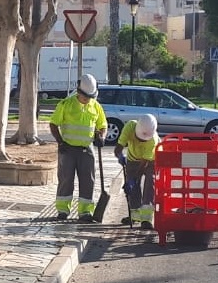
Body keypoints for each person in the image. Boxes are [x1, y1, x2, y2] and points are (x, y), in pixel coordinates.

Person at [49, 73, 107, 223]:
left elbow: (103, 126)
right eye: (85, 96)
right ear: (79, 92)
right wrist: (60, 142)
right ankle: (63, 210)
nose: (87, 99)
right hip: (67, 149)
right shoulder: (66, 104)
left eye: (90, 96)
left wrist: (101, 136)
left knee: (88, 180)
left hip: (86, 149)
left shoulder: (96, 106)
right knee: (66, 179)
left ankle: (85, 212)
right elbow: (53, 124)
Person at [113, 113, 160, 230]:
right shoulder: (130, 126)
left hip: (151, 160)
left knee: (150, 184)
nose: (140, 140)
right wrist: (119, 155)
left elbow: (143, 165)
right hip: (132, 158)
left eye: (143, 140)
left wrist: (133, 180)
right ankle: (135, 216)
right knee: (133, 189)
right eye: (139, 138)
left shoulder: (152, 140)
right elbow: (118, 147)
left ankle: (146, 219)